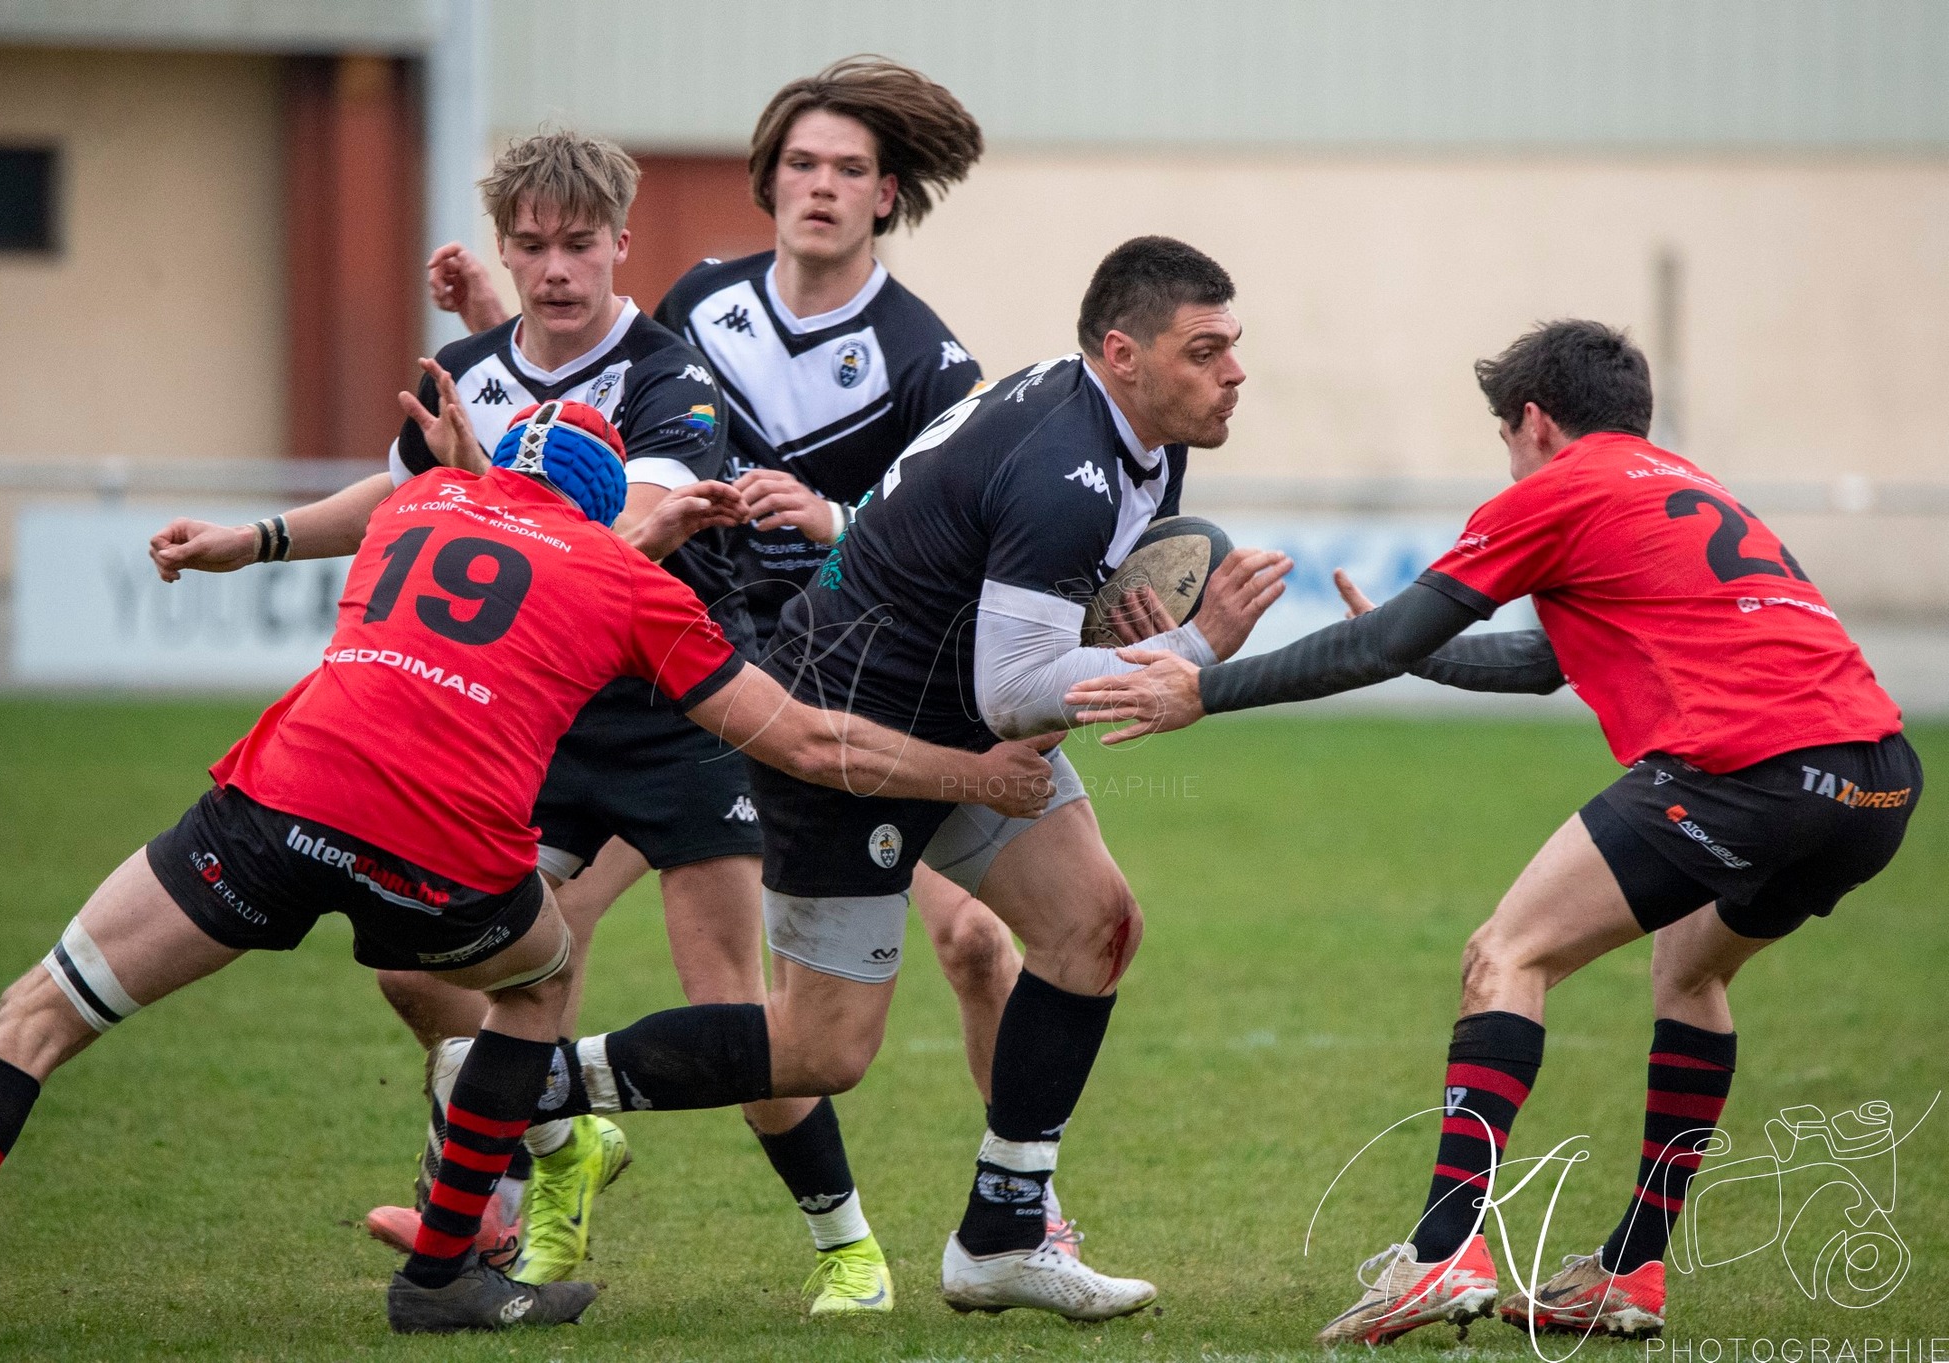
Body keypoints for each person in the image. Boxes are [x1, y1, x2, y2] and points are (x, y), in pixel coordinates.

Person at [0, 402, 1055, 1346]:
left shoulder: (420, 497)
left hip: (275, 801)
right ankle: (446, 1273)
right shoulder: (630, 585)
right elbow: (802, 742)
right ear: (613, 509)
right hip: (439, 850)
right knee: (542, 982)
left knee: (40, 1010)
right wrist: (980, 773)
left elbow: (479, 519)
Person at [464, 236, 1290, 1322]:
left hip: (952, 719)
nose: (1233, 371)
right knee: (822, 1048)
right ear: (1123, 354)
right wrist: (1191, 653)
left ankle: (1001, 1235)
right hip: (849, 735)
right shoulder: (1066, 466)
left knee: (1093, 922)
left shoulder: (1135, 435)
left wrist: (1113, 629)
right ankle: (519, 1082)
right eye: (1206, 350)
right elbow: (1015, 689)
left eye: (1232, 347)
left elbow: (1016, 620)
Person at [1063, 319, 1922, 1343]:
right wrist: (1419, 655)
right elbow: (1546, 663)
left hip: (1745, 770)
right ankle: (1629, 1270)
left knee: (1503, 955)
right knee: (1690, 974)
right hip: (1873, 785)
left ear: (1531, 421)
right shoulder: (1674, 485)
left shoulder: (1554, 487)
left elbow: (1384, 639)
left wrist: (1205, 689)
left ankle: (1440, 1250)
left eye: (1504, 438)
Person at [146, 130, 883, 1312]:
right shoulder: (472, 368)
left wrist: (480, 479)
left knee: (726, 1007)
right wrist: (255, 538)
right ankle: (557, 1146)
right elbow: (404, 494)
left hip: (678, 715)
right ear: (505, 248)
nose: (554, 271)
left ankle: (845, 1245)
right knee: (421, 961)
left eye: (578, 246)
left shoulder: (668, 376)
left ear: (619, 246)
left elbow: (617, 546)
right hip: (531, 726)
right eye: (531, 247)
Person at [437, 55, 1098, 1265]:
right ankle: (508, 1187)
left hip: (863, 687)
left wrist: (835, 521)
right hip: (695, 678)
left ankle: (1020, 1198)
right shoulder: (697, 302)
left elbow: (961, 536)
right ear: (768, 178)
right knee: (529, 936)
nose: (820, 188)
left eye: (849, 169)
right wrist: (494, 317)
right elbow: (581, 402)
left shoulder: (927, 358)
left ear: (886, 195)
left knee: (967, 942)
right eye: (801, 163)